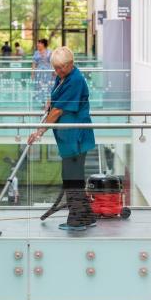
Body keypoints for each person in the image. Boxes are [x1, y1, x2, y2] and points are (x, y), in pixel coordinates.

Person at [28, 46, 96, 231]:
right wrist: (50, 102)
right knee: (72, 177)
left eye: (61, 67)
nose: (57, 71)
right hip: (67, 137)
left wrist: (39, 131)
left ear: (71, 63)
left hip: (76, 137)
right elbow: (56, 100)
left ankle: (77, 219)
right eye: (55, 67)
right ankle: (87, 216)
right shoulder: (63, 76)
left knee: (72, 178)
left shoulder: (75, 80)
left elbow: (58, 110)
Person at [32, 38, 53, 106]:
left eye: (39, 43)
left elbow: (52, 62)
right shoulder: (36, 53)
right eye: (38, 43)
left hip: (48, 72)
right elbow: (34, 63)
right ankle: (43, 102)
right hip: (39, 73)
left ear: (43, 44)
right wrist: (33, 73)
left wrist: (53, 71)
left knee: (48, 87)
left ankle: (48, 102)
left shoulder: (49, 52)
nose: (38, 44)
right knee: (40, 87)